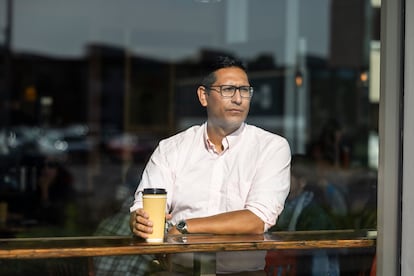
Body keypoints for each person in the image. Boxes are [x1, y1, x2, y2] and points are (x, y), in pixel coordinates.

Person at [129, 55, 291, 275]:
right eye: (228, 90)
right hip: (180, 271)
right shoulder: (172, 148)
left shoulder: (271, 147)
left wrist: (184, 227)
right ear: (203, 96)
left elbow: (256, 219)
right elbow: (143, 206)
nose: (238, 99)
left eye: (245, 91)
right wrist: (138, 221)